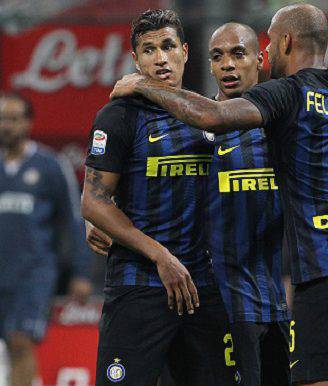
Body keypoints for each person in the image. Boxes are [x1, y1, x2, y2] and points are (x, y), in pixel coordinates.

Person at [110, 3, 328, 386]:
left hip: (319, 280)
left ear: (277, 47)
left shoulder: (280, 102)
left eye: (247, 51)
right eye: (218, 56)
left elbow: (214, 116)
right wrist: (107, 212)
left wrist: (145, 84)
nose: (231, 64)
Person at [81, 9, 231, 386]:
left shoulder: (208, 115)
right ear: (135, 60)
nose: (160, 58)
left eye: (167, 47)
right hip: (140, 284)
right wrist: (161, 256)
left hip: (203, 287)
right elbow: (93, 201)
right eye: (148, 50)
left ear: (184, 51)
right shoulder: (116, 117)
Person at [206, 23, 290, 386]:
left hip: (276, 302)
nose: (227, 65)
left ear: (260, 59)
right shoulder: (197, 132)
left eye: (238, 54)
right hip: (218, 303)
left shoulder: (286, 131)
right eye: (218, 56)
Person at [0, 91, 93, 386]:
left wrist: (80, 272)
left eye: (13, 119)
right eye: (2, 119)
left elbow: (73, 220)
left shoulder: (49, 166)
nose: (6, 126)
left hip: (33, 272)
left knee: (20, 341)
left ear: (28, 123)